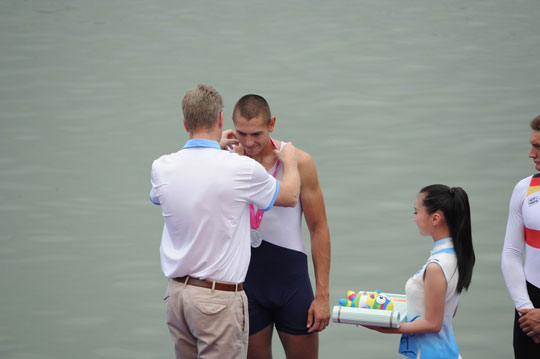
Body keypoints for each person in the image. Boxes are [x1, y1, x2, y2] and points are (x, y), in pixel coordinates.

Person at [149, 85, 301, 359]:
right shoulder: (241, 169)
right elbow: (290, 196)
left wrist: (214, 148)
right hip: (216, 299)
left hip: (176, 297)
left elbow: (160, 195)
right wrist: (289, 161)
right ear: (221, 119)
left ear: (185, 123)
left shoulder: (162, 167)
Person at [221, 94, 331, 359]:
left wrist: (323, 296)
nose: (249, 142)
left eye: (257, 133)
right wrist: (216, 146)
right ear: (232, 127)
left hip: (291, 284)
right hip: (247, 285)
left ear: (272, 124)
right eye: (242, 133)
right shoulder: (226, 161)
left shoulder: (299, 163)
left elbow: (319, 229)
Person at [366, 184, 475, 359]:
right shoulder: (456, 256)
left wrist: (388, 327)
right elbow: (449, 310)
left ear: (435, 218)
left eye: (416, 212)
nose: (414, 219)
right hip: (446, 352)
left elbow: (433, 324)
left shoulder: (436, 267)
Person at [502, 114, 540, 358]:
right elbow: (511, 253)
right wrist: (526, 310)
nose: (530, 153)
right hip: (529, 310)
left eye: (538, 146)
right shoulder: (524, 188)